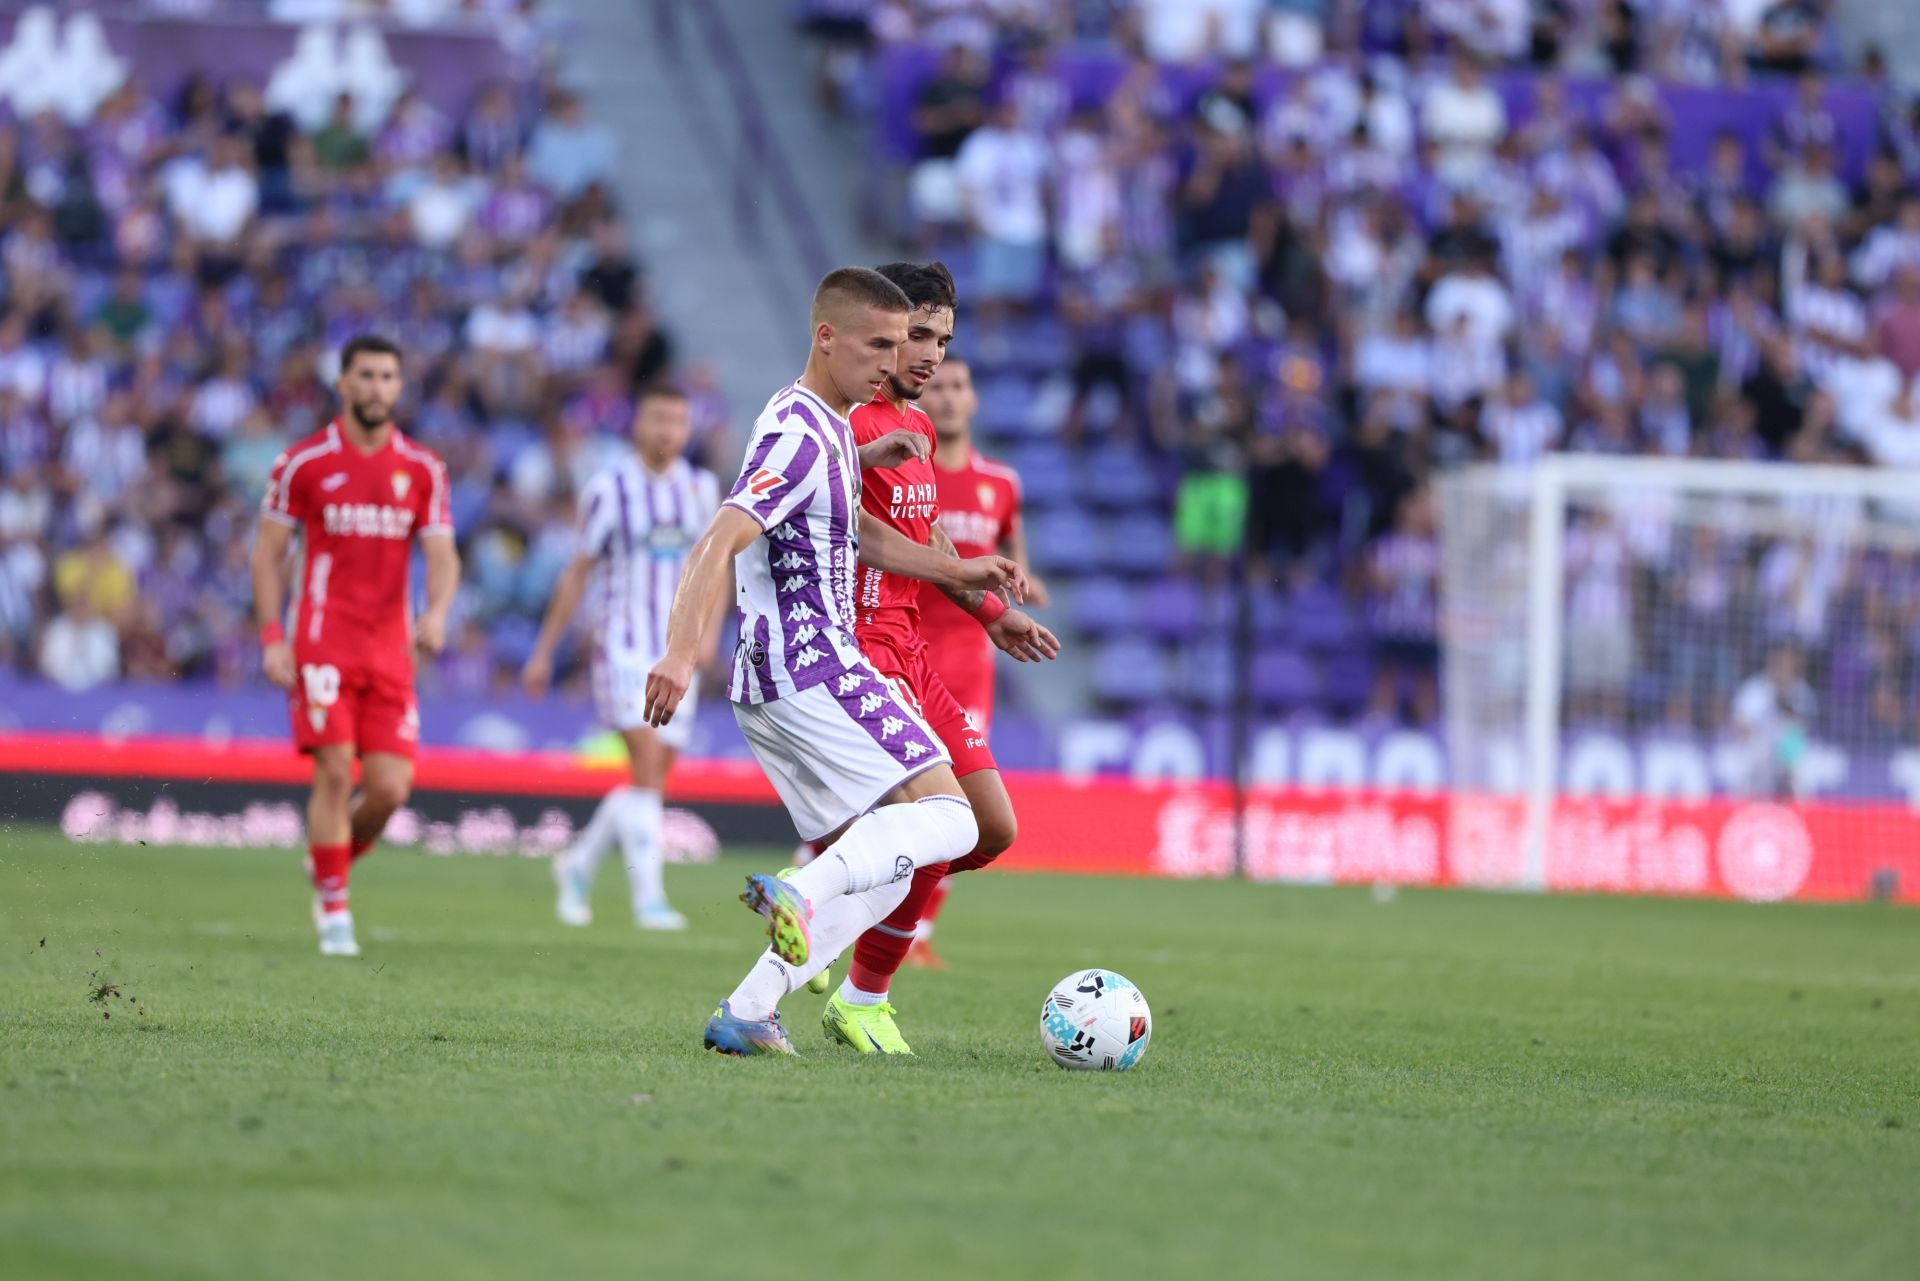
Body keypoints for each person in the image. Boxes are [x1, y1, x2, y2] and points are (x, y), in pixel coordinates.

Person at [640, 267, 1025, 1056]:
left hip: (777, 678)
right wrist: (679, 651)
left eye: (905, 343)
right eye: (881, 344)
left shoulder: (823, 424)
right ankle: (805, 890)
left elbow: (852, 529)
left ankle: (749, 1009)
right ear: (827, 338)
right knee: (952, 819)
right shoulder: (803, 434)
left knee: (898, 859)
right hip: (815, 663)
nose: (896, 361)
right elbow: (720, 535)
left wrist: (960, 573)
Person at [815, 262, 1060, 1054]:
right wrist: (968, 576)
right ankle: (861, 994)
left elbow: (929, 537)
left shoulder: (915, 428)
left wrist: (992, 612)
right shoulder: (844, 423)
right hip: (861, 649)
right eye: (918, 336)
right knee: (936, 824)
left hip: (916, 649)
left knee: (991, 829)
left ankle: (835, 905)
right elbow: (863, 537)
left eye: (943, 340)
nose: (929, 355)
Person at [251, 335, 460, 958]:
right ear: (343, 385)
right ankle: (335, 909)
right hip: (322, 642)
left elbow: (442, 554)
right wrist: (272, 636)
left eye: (387, 376)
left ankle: (329, 863)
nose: (376, 387)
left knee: (391, 790)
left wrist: (438, 612)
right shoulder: (303, 462)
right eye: (365, 376)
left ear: (400, 387)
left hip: (390, 650)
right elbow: (267, 555)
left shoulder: (423, 468)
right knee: (337, 771)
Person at [521, 384, 722, 932]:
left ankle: (577, 865)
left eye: (677, 421)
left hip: (677, 650)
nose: (668, 431)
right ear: (638, 423)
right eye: (658, 418)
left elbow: (717, 566)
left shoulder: (701, 489)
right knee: (647, 761)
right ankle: (649, 899)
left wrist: (707, 633)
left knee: (650, 776)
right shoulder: (609, 489)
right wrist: (544, 651)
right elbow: (577, 571)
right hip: (623, 647)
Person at [892, 353, 1046, 969]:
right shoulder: (906, 471)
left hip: (969, 662)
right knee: (905, 800)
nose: (950, 397)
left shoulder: (1001, 483)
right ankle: (831, 881)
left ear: (974, 399)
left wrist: (1024, 581)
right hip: (904, 649)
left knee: (962, 805)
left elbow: (1012, 549)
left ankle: (918, 933)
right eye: (940, 387)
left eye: (960, 386)